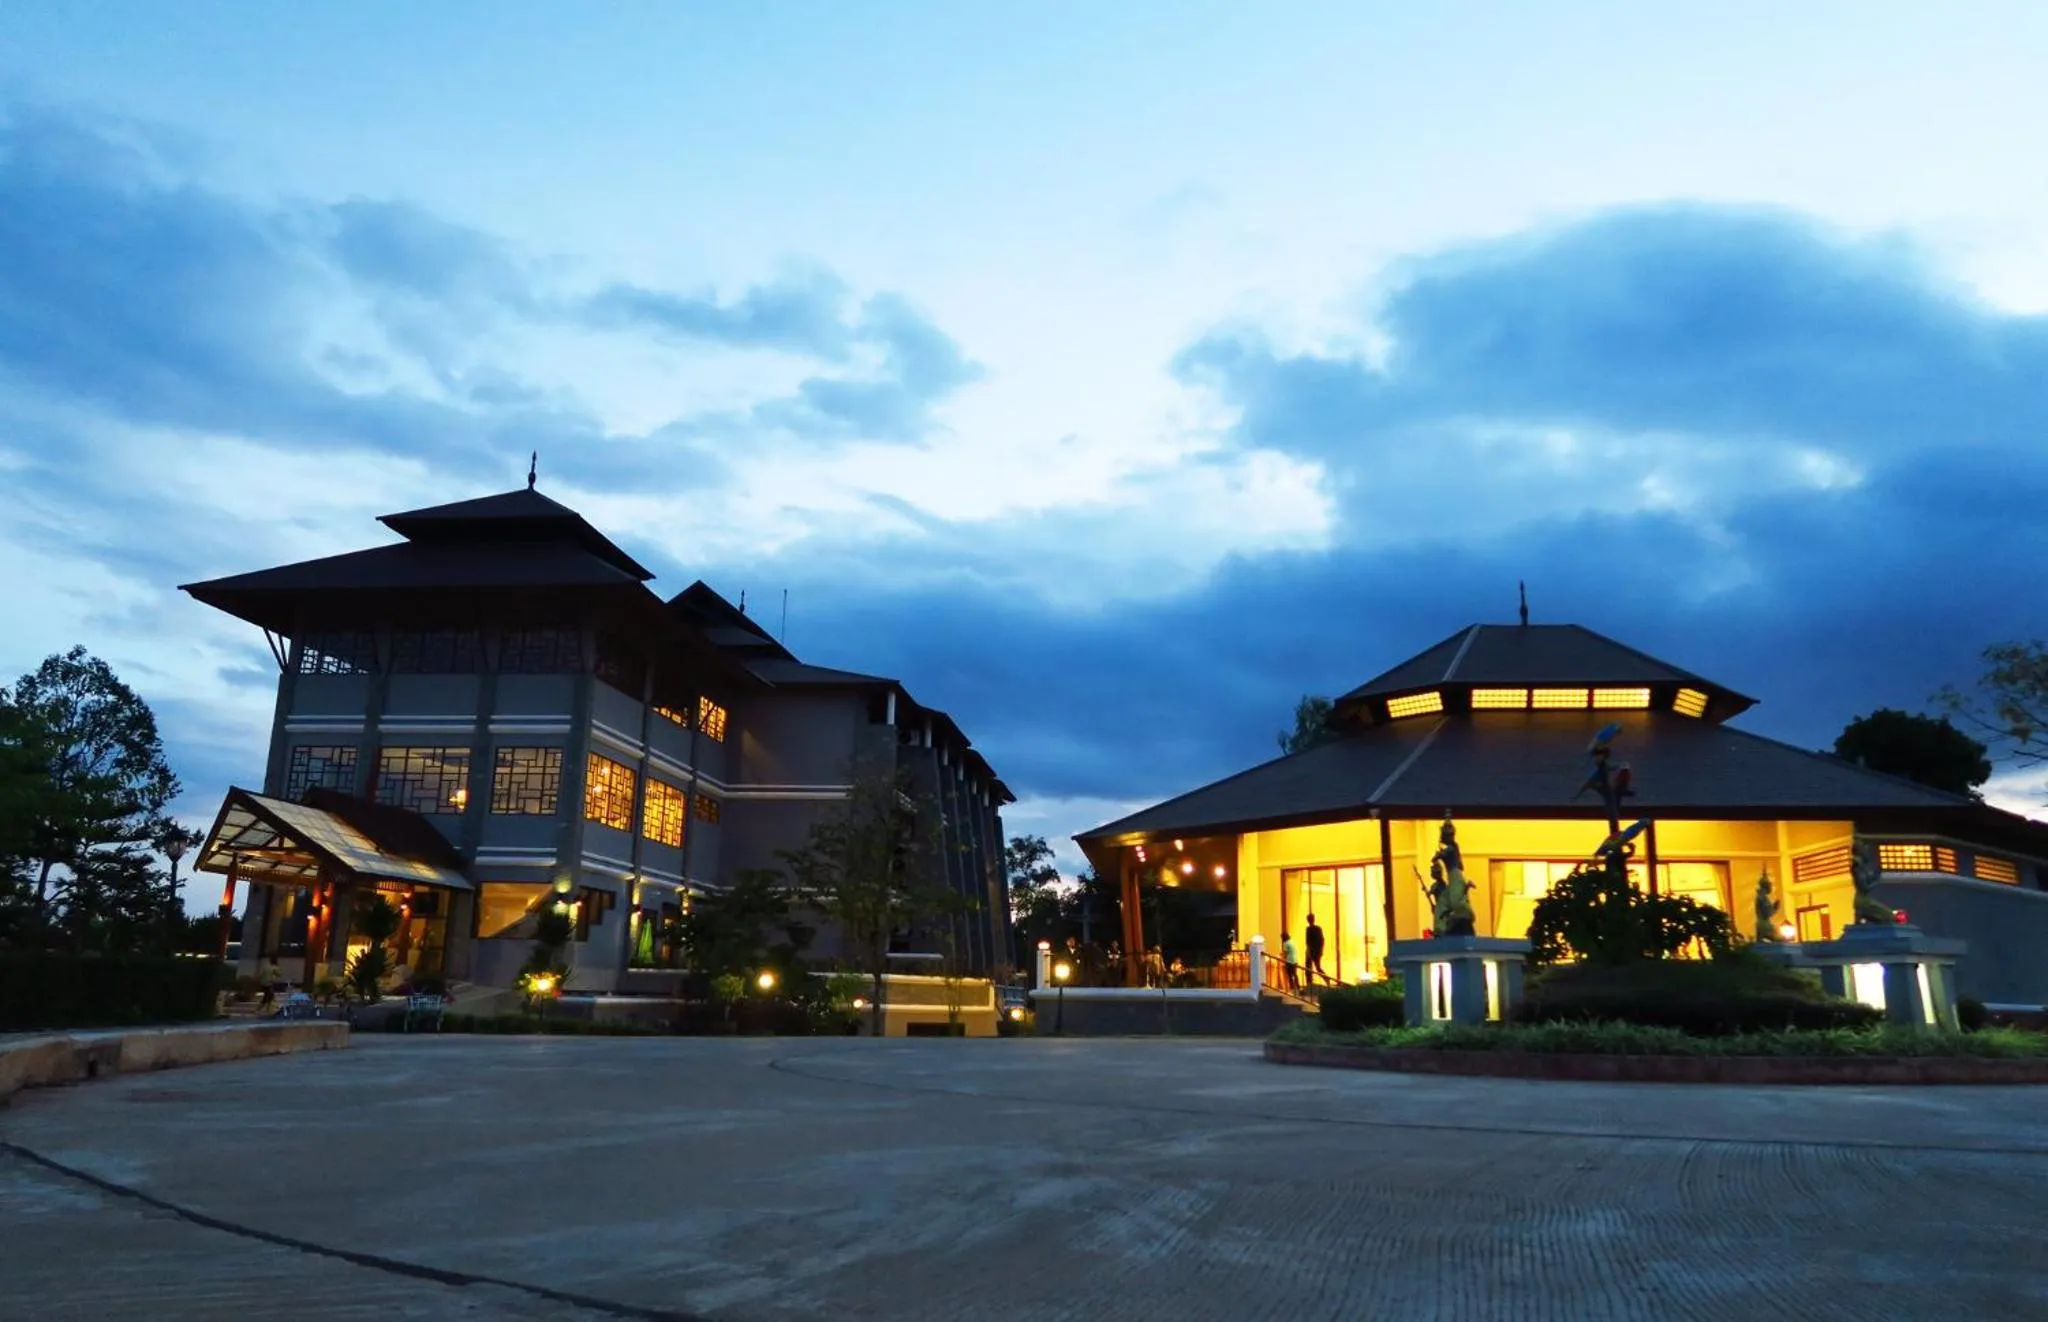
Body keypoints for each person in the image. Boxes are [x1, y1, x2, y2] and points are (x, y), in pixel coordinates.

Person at [1304, 914, 1327, 986]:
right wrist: (1321, 950)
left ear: (1308, 920)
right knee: (1317, 968)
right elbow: (1322, 940)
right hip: (1317, 951)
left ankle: (1309, 982)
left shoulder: (1308, 929)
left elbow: (1308, 942)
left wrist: (1309, 951)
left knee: (1309, 967)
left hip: (1312, 951)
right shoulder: (1318, 928)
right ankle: (1326, 979)